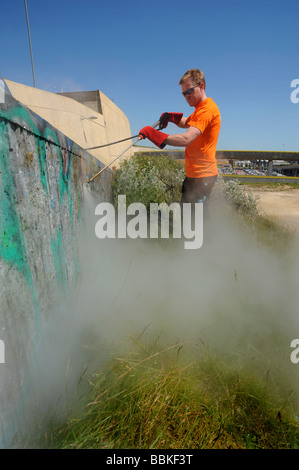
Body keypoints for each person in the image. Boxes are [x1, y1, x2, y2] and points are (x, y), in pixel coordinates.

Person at [139, 68, 221, 205]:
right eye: (184, 94)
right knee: (191, 218)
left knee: (195, 220)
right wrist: (172, 117)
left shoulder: (207, 110)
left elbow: (186, 139)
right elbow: (187, 123)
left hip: (203, 177)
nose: (186, 96)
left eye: (189, 91)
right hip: (195, 175)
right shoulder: (200, 108)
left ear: (201, 86)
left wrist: (154, 134)